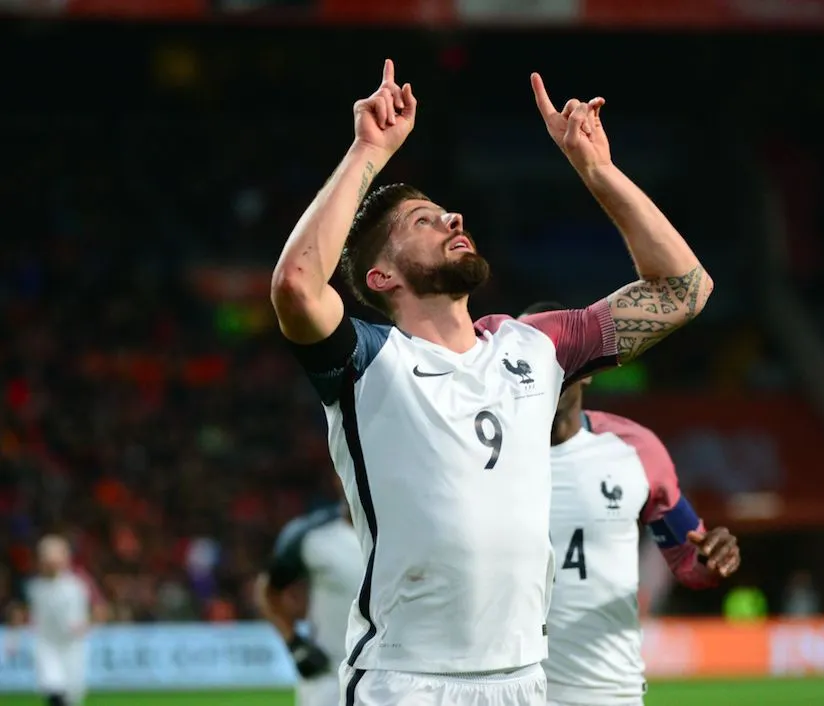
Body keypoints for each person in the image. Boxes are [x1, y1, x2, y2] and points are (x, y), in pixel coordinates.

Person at [270, 58, 713, 706]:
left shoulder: (534, 347)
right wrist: (369, 150)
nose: (452, 219)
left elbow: (683, 290)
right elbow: (296, 285)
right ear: (381, 278)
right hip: (406, 682)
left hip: (523, 681)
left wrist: (598, 171)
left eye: (446, 213)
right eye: (422, 222)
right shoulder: (368, 362)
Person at [522, 302, 741, 706]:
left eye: (558, 357)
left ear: (587, 368)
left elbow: (688, 558)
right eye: (529, 359)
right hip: (505, 691)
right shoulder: (479, 453)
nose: (545, 371)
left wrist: (711, 559)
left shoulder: (634, 449)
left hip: (607, 691)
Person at [255, 500, 365, 706]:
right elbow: (268, 589)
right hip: (328, 678)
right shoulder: (311, 534)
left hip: (389, 676)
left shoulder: (403, 533)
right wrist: (295, 643)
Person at [25, 535, 91, 706]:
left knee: (71, 695)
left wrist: (80, 626)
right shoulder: (35, 587)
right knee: (53, 686)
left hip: (72, 647)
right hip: (46, 644)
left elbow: (83, 616)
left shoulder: (75, 586)